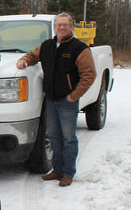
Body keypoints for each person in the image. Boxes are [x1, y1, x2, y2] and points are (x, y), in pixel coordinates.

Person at [16, 12, 96, 187]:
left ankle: (68, 173)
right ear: (55, 27)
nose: (61, 27)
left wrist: (74, 95)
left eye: (65, 25)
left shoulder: (79, 48)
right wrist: (23, 61)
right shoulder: (47, 46)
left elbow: (89, 75)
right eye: (59, 24)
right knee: (53, 137)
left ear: (71, 26)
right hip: (51, 100)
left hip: (68, 101)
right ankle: (57, 170)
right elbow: (32, 55)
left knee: (68, 138)